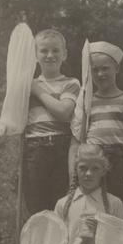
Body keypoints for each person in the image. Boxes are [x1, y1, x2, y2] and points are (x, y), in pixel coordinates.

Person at [70, 41, 123, 221]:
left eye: (105, 68)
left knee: (119, 209)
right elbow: (76, 137)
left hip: (120, 160)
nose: (100, 74)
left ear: (117, 68)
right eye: (95, 70)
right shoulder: (85, 101)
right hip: (93, 160)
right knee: (92, 208)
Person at [50, 144, 123, 244]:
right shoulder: (63, 204)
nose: (88, 173)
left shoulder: (114, 204)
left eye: (95, 168)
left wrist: (101, 235)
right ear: (75, 169)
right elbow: (55, 242)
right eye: (83, 168)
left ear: (104, 170)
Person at [23, 29, 80, 214]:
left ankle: (60, 243)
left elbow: (63, 112)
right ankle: (38, 243)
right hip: (34, 147)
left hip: (61, 146)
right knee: (36, 204)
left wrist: (38, 91)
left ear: (64, 54)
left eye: (55, 50)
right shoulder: (26, 85)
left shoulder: (71, 83)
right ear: (35, 55)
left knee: (59, 204)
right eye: (44, 51)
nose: (50, 55)